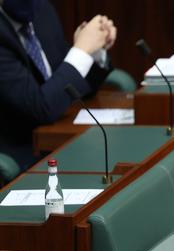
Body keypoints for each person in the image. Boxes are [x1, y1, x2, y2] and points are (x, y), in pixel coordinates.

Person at [0, 0, 116, 170]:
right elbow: (41, 108)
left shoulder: (42, 12)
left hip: (60, 141)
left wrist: (95, 49)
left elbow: (69, 89)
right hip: (23, 157)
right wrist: (81, 51)